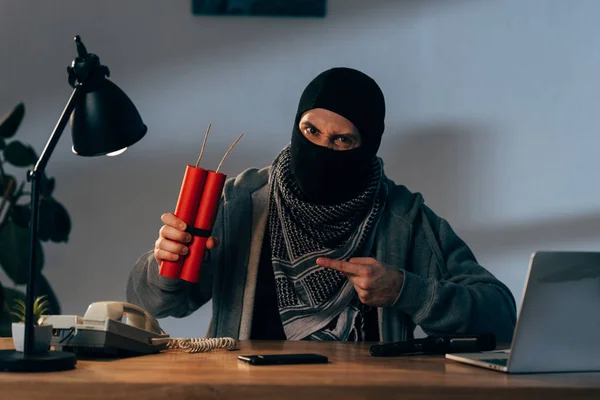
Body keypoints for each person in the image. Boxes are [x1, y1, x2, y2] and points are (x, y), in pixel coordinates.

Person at [127, 67, 516, 343]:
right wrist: (167, 263)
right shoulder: (240, 200)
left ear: (367, 147)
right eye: (310, 131)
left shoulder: (403, 215)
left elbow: (499, 316)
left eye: (342, 140)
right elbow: (154, 304)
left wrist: (404, 290)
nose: (321, 149)